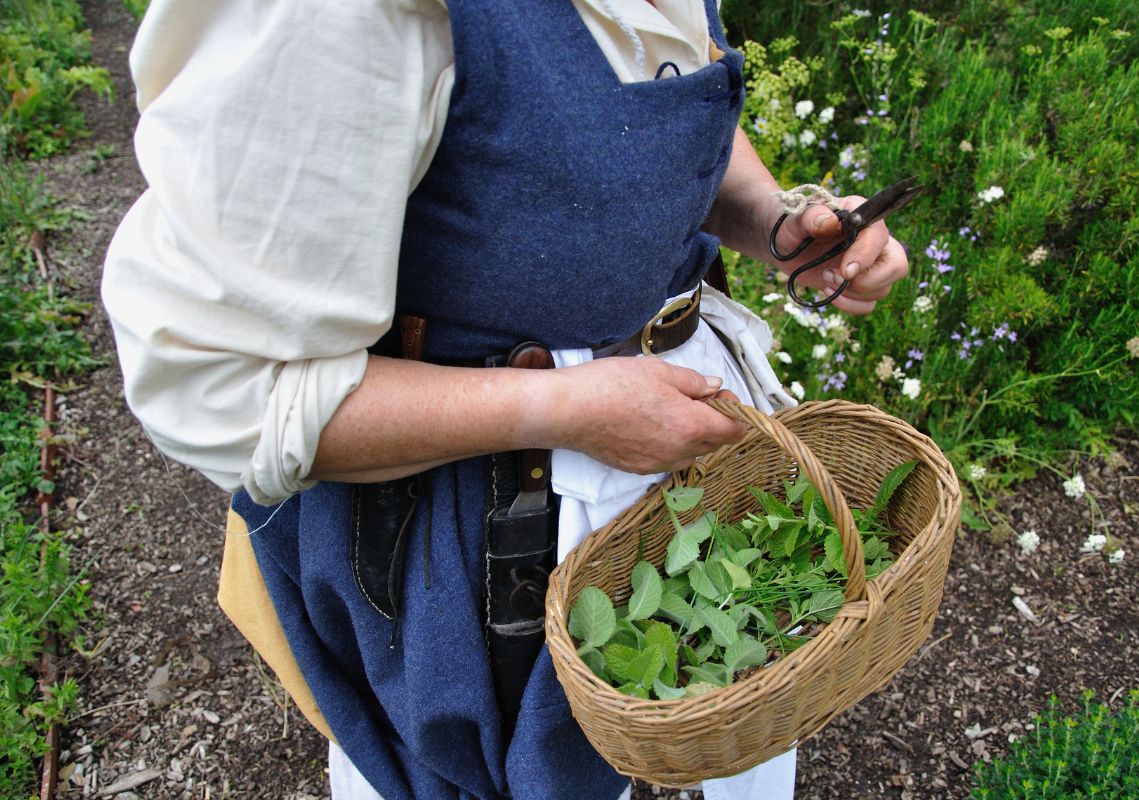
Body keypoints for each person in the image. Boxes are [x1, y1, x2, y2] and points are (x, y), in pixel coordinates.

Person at [102, 1, 908, 798]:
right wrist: (566, 410)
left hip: (687, 425)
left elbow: (651, 95)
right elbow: (216, 385)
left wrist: (772, 219)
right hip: (485, 505)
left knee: (737, 696)